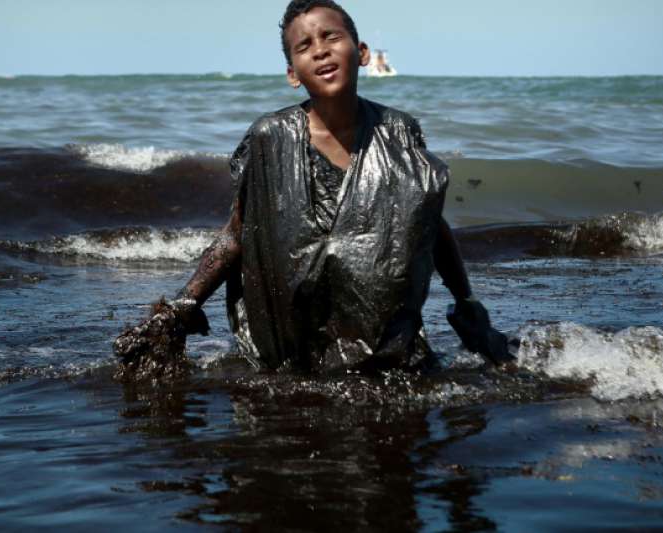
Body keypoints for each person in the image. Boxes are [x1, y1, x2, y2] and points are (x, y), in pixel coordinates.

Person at [119, 0, 515, 374]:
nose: (321, 51)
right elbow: (239, 234)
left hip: (384, 348)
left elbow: (428, 223)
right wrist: (182, 307)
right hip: (295, 349)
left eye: (331, 37)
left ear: (360, 52)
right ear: (292, 73)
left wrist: (466, 302)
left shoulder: (398, 131)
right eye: (304, 46)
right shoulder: (269, 137)